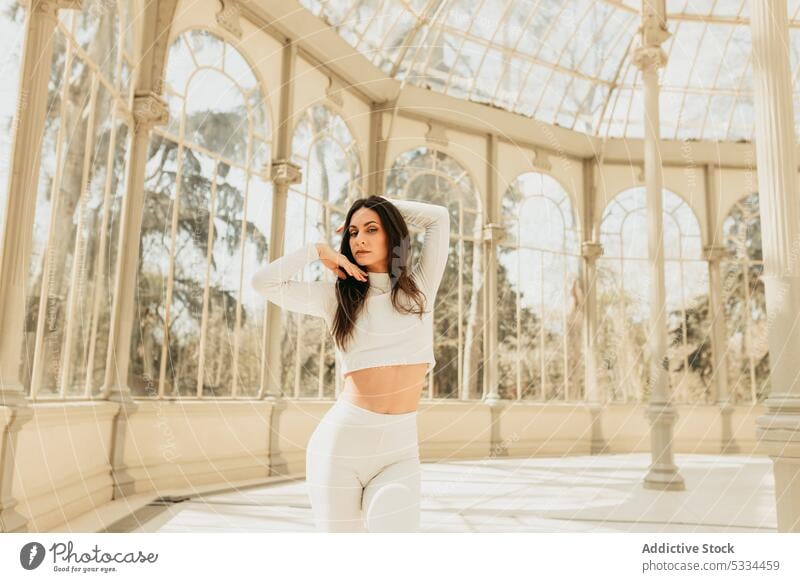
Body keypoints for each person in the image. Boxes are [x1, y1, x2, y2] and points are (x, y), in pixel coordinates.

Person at [251, 195, 450, 532]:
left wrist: (383, 206)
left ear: (392, 235)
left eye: (372, 229)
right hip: (340, 449)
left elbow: (439, 217)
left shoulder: (420, 289)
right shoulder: (336, 298)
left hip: (400, 451)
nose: (359, 239)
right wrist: (317, 250)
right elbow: (262, 282)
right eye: (354, 232)